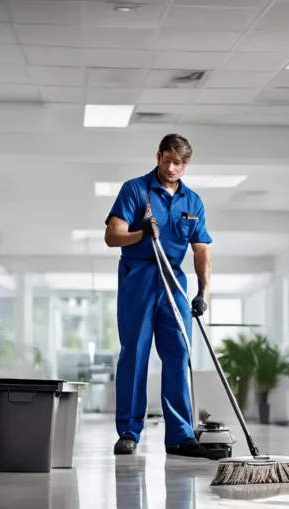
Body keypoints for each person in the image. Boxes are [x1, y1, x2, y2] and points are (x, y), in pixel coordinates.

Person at [104, 134, 212, 458]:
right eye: (167, 160)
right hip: (139, 278)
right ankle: (129, 431)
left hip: (173, 281)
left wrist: (202, 292)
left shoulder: (193, 202)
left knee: (179, 354)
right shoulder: (135, 190)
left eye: (178, 163)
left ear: (185, 165)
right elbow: (112, 236)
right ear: (158, 156)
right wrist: (141, 232)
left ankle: (180, 434)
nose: (171, 167)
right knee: (135, 354)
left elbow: (202, 249)